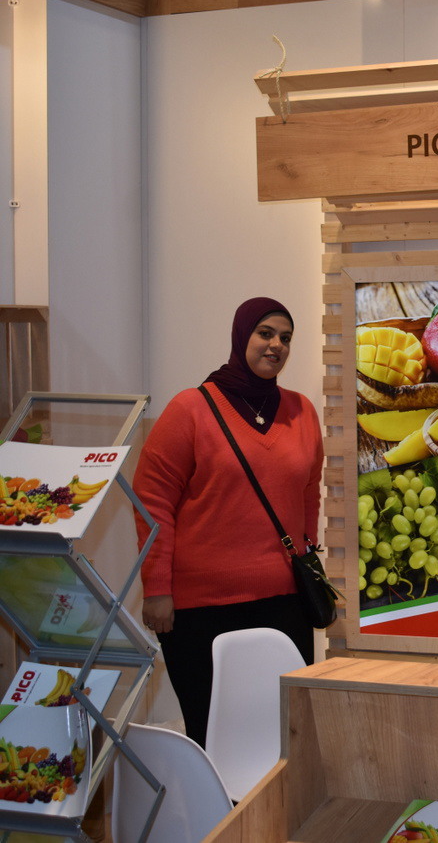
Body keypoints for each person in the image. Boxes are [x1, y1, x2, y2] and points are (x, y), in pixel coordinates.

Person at [132, 296, 323, 746]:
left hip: (284, 603)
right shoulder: (191, 409)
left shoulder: (301, 411)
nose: (276, 345)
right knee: (213, 737)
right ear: (241, 336)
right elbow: (152, 501)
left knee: (286, 736)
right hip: (200, 610)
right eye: (265, 333)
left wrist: (308, 557)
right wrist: (156, 588)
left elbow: (308, 494)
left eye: (286, 338)